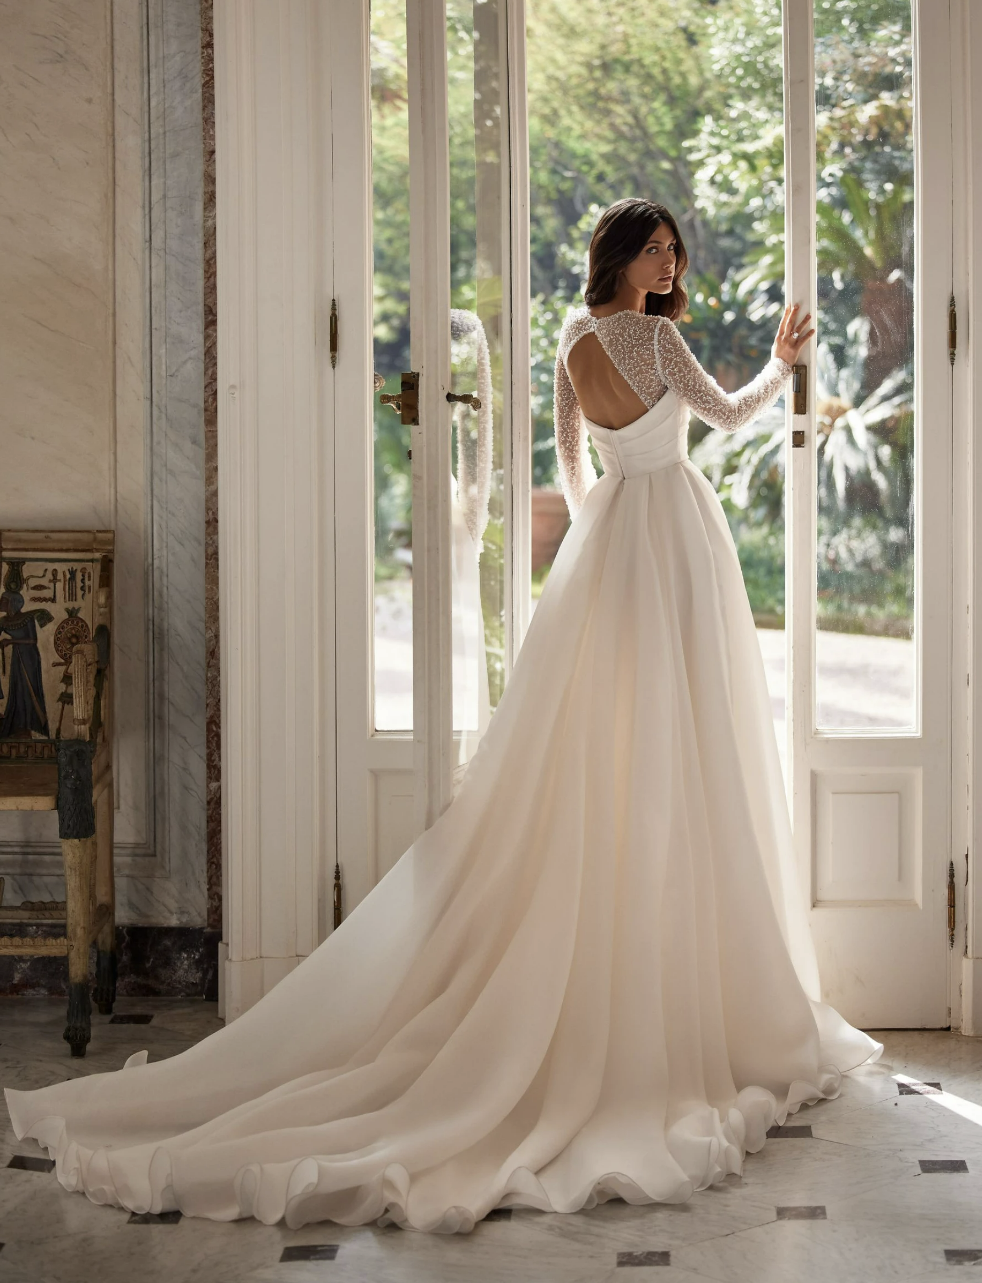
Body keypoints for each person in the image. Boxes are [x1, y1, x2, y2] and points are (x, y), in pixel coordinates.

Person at [4, 197, 881, 1234]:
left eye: (671, 249)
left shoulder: (574, 340)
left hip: (610, 541)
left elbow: (565, 457)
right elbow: (727, 418)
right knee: (678, 741)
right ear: (618, 256)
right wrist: (782, 365)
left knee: (611, 746)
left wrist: (599, 526)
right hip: (673, 536)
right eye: (653, 249)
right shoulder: (654, 340)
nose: (668, 262)